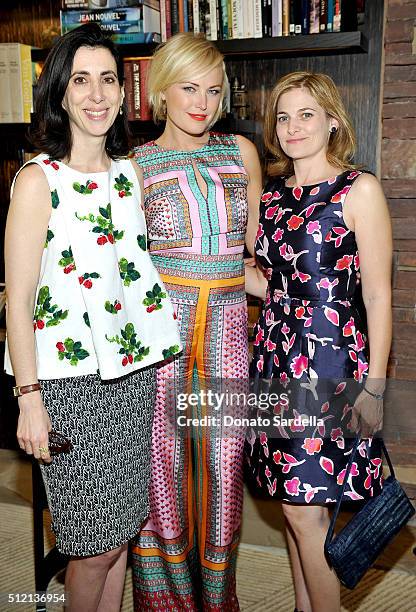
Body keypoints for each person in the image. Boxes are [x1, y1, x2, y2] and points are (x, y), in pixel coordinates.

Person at [4, 23, 181, 612]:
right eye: (81, 80)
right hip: (67, 385)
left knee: (122, 537)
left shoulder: (130, 176)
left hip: (133, 377)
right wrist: (28, 397)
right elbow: (20, 298)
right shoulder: (36, 182)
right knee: (90, 548)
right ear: (60, 93)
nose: (97, 94)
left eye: (108, 79)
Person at [244, 72, 392, 612]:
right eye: (283, 117)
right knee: (292, 506)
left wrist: (374, 385)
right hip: (275, 360)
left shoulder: (359, 189)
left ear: (333, 120)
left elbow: (377, 294)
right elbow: (270, 283)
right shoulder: (273, 200)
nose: (292, 127)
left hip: (331, 360)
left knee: (308, 512)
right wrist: (204, 266)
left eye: (307, 114)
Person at [131, 33, 262, 611]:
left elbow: (254, 253)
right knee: (161, 466)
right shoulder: (135, 164)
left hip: (231, 324)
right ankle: (168, 603)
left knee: (224, 464)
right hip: (164, 329)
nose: (201, 102)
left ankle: (217, 598)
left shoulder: (241, 152)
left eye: (213, 90)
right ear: (161, 90)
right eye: (188, 87)